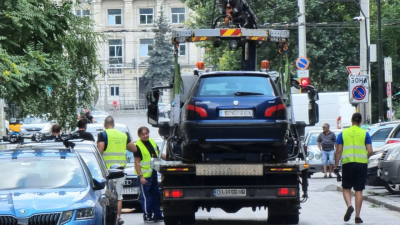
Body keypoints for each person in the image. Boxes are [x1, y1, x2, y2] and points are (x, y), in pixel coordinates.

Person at [97, 116, 137, 225]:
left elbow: (99, 151)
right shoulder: (123, 135)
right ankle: (117, 218)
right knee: (119, 195)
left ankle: (108, 217)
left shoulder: (103, 134)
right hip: (120, 170)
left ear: (105, 124)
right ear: (113, 124)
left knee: (106, 195)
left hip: (108, 170)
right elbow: (133, 149)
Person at [334, 113, 373, 224]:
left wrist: (336, 165)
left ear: (351, 121)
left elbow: (338, 151)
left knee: (346, 188)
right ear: (360, 121)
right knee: (358, 190)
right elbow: (370, 151)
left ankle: (349, 206)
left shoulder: (343, 133)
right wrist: (365, 158)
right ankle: (357, 216)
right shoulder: (365, 133)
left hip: (348, 163)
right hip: (361, 164)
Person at [134, 126, 166, 223]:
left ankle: (157, 214)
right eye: (143, 134)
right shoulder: (138, 146)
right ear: (139, 135)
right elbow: (136, 162)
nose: (145, 136)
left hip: (153, 174)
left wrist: (170, 158)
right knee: (147, 197)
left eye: (146, 133)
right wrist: (141, 177)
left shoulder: (152, 142)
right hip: (144, 176)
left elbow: (159, 154)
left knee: (156, 195)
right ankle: (147, 215)